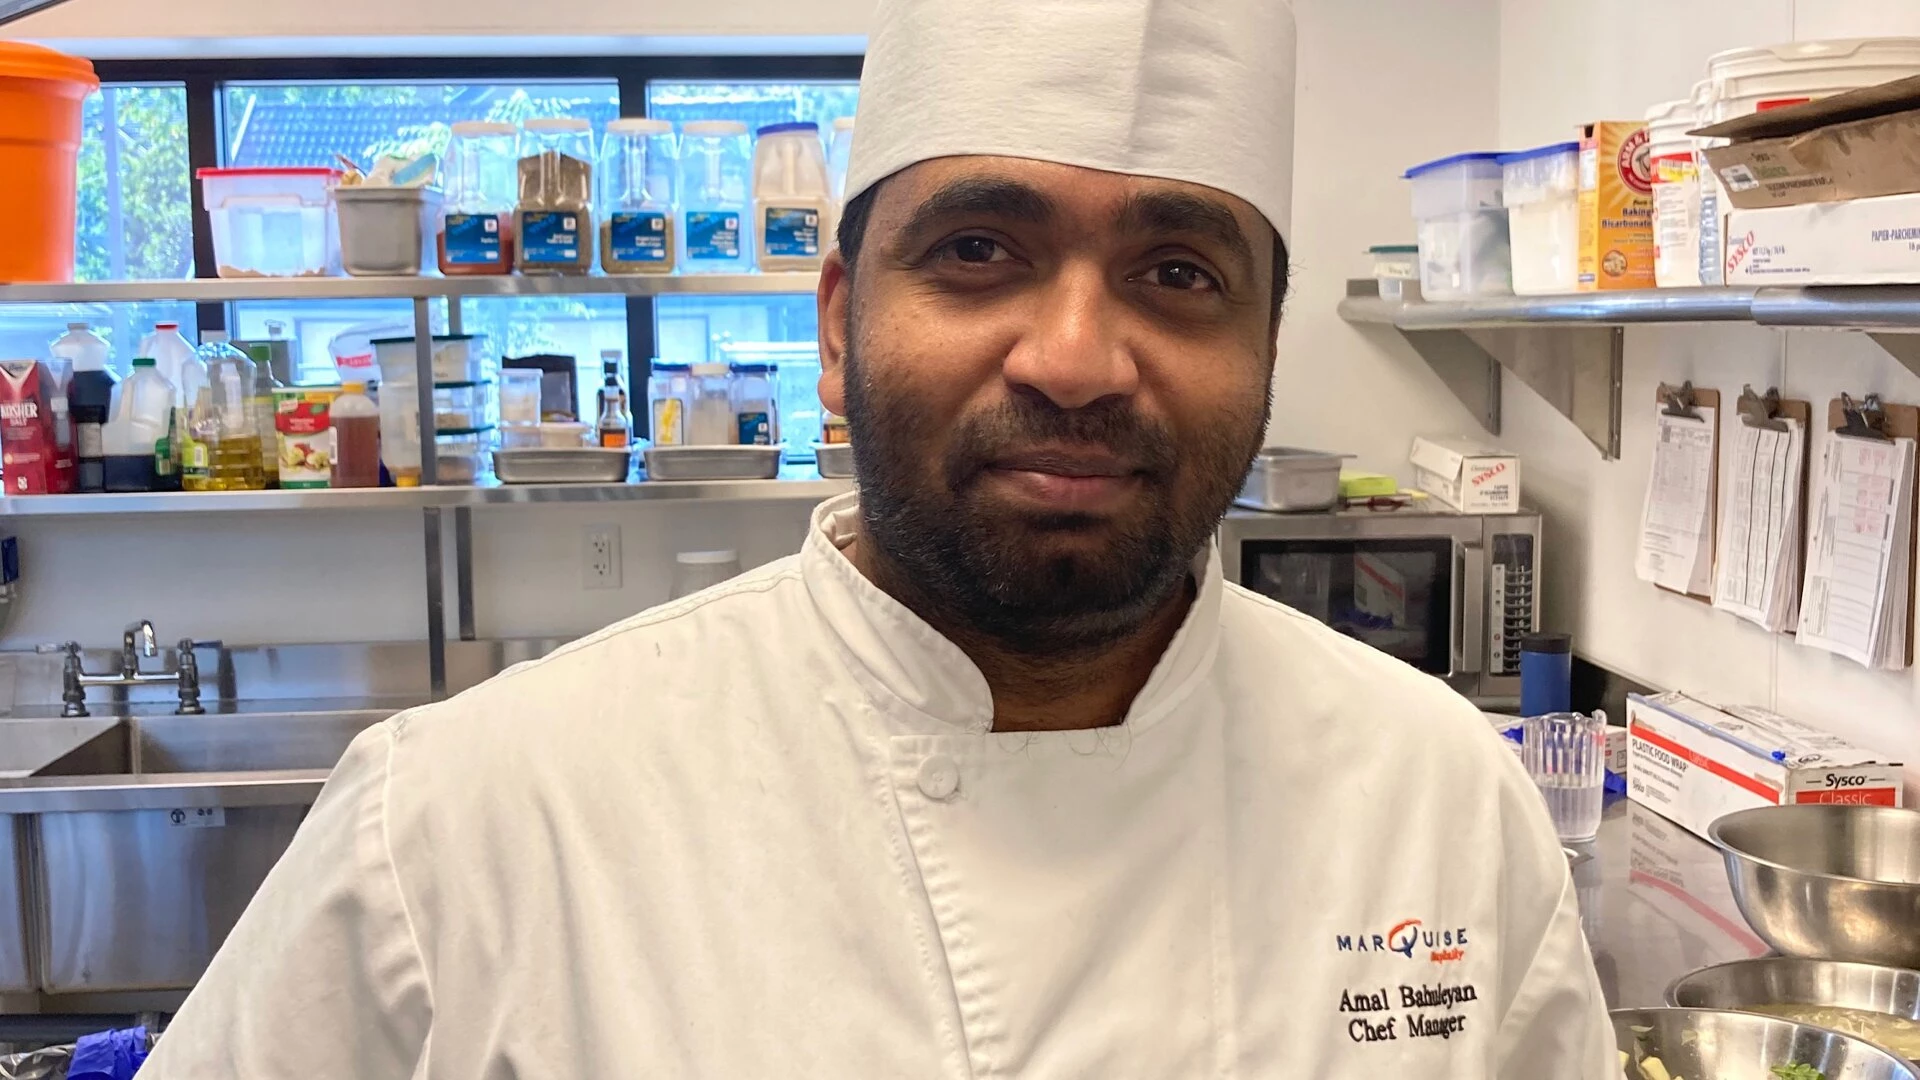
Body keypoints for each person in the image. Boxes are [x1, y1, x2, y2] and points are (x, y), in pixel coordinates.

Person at [142, 0, 1614, 1075]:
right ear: (839, 328)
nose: (1080, 357)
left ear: (1267, 348)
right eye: (980, 253)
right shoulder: (463, 828)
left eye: (1178, 271)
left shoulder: (1439, 799)